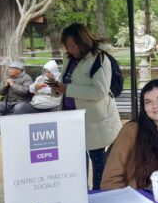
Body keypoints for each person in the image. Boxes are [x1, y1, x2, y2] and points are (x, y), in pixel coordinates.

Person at [51, 23, 122, 190]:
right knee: (77, 162)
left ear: (83, 41)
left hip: (93, 121)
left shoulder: (99, 58)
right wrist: (57, 89)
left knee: (98, 162)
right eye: (68, 46)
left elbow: (99, 91)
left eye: (74, 45)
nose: (71, 49)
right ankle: (80, 195)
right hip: (71, 118)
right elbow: (66, 81)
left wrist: (68, 89)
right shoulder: (69, 58)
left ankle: (99, 195)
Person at [0, 61, 33, 136]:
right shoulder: (7, 77)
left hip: (22, 102)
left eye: (12, 69)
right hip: (8, 101)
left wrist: (13, 84)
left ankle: (15, 128)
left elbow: (25, 91)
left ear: (19, 70)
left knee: (19, 108)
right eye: (9, 69)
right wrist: (5, 86)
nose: (9, 70)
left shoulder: (27, 78)